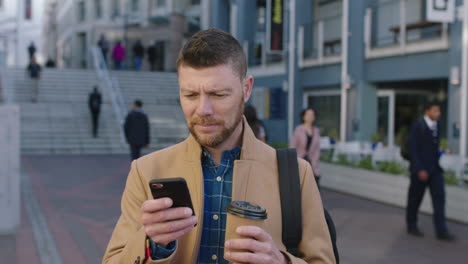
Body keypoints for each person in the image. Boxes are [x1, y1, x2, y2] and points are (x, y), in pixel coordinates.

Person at [103, 28, 334, 264]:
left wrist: (282, 262)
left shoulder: (296, 173)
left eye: (218, 94)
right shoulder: (146, 171)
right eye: (191, 95)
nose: (203, 110)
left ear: (246, 89)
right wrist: (152, 243)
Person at [406, 102, 455, 241]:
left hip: (435, 170)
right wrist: (420, 169)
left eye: (439, 111)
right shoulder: (417, 126)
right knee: (415, 198)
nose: (438, 113)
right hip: (420, 171)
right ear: (427, 112)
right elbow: (413, 150)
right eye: (435, 111)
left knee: (439, 198)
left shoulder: (437, 125)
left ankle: (441, 230)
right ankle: (412, 225)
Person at [290, 108, 322, 187]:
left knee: (314, 188)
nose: (310, 117)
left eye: (312, 115)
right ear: (303, 117)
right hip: (300, 161)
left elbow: (317, 148)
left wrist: (315, 159)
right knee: (300, 188)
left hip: (312, 163)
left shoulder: (316, 131)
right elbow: (292, 146)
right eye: (308, 114)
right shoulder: (298, 129)